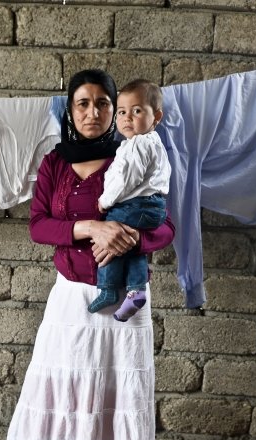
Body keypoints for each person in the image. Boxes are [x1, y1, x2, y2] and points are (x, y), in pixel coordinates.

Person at [0, 70, 176, 440]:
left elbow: (166, 226)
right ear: (70, 110)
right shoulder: (55, 163)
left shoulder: (135, 149)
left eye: (103, 103)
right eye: (83, 103)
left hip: (123, 306)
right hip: (72, 300)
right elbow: (38, 226)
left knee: (112, 403)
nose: (94, 113)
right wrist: (90, 229)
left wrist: (135, 235)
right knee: (65, 398)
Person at [90, 79, 171, 322]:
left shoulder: (138, 144)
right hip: (153, 206)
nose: (127, 118)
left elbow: (125, 179)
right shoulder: (154, 143)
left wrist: (104, 201)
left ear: (156, 117)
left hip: (137, 204)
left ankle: (108, 288)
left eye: (137, 111)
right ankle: (136, 290)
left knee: (113, 232)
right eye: (122, 112)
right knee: (131, 245)